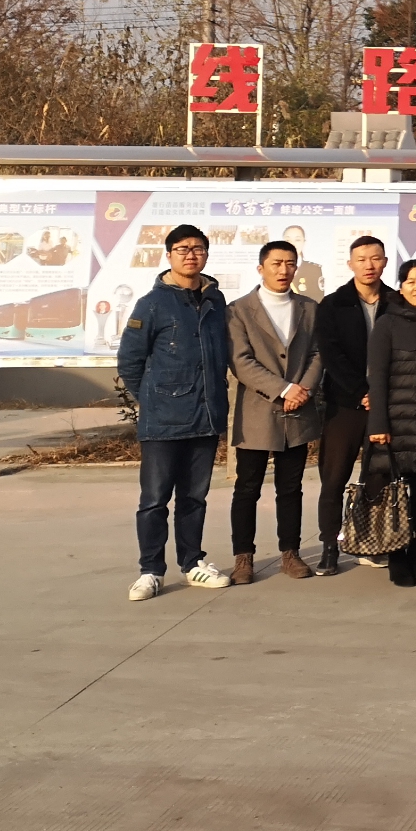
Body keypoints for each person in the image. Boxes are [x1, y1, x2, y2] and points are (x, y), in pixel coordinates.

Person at [116, 224, 235, 599]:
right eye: (182, 249)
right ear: (168, 255)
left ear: (206, 255)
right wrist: (154, 398)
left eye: (198, 249)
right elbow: (130, 361)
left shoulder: (216, 301)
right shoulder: (151, 304)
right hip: (163, 421)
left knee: (194, 498)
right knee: (154, 500)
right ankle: (150, 571)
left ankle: (192, 563)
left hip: (205, 416)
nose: (191, 255)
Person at [224, 239, 324, 584]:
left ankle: (290, 553)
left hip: (298, 411)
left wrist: (302, 390)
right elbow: (240, 361)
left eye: (290, 263)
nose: (284, 270)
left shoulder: (309, 308)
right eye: (276, 263)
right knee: (247, 488)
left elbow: (318, 354)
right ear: (261, 268)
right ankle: (243, 558)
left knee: (291, 487)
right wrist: (283, 389)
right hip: (257, 411)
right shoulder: (239, 310)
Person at [365, 259, 416, 588]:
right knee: (395, 497)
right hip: (396, 425)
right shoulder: (387, 323)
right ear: (400, 288)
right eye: (410, 281)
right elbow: (377, 377)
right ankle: (397, 558)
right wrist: (378, 424)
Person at [314, 234, 393, 574]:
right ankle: (330, 546)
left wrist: (381, 394)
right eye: (361, 259)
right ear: (350, 264)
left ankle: (369, 543)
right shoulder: (333, 305)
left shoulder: (396, 302)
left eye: (375, 258)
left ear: (385, 262)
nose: (369, 265)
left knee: (378, 477)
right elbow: (331, 354)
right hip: (345, 405)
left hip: (386, 405)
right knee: (334, 478)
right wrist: (362, 391)